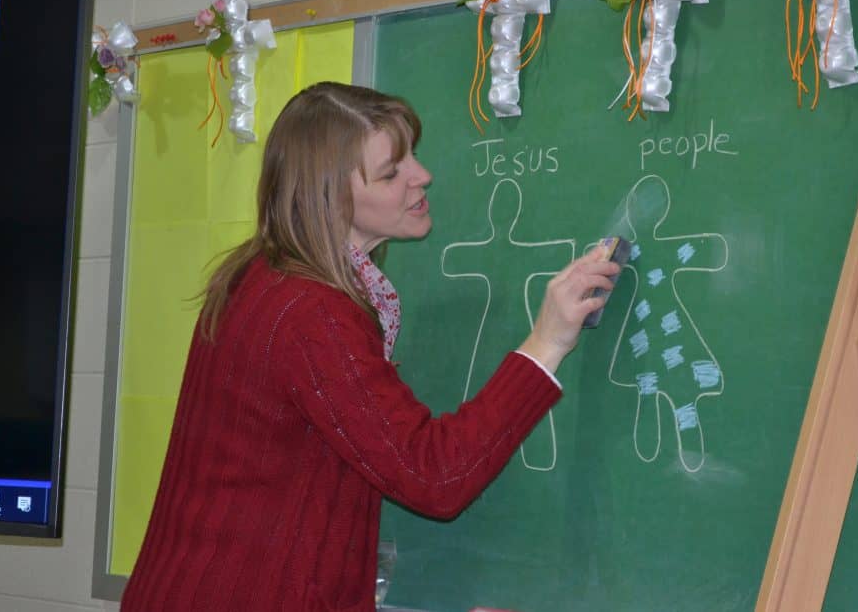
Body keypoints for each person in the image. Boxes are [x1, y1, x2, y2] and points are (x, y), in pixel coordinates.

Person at [121, 82, 619, 611]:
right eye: (391, 172)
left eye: (413, 156)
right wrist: (547, 341)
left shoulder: (263, 279)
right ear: (331, 198)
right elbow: (435, 475)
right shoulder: (312, 315)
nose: (421, 176)